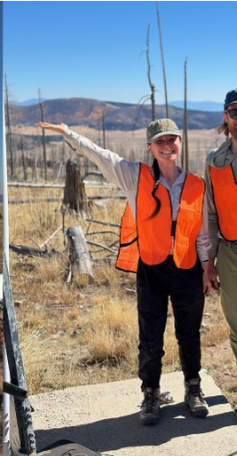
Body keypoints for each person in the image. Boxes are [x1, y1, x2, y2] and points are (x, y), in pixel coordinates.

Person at [38, 119, 214, 426]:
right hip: (152, 269)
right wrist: (69, 134)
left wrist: (206, 267)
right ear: (150, 147)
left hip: (187, 269)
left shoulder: (197, 185)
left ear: (180, 143)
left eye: (172, 139)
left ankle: (193, 389)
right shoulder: (135, 176)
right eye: (159, 141)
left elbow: (200, 233)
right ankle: (151, 393)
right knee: (150, 338)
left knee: (189, 334)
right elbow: (101, 155)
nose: (167, 145)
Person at [205, 88, 237, 367]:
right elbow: (212, 216)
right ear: (226, 117)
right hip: (230, 254)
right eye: (235, 112)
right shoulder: (214, 162)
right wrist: (210, 263)